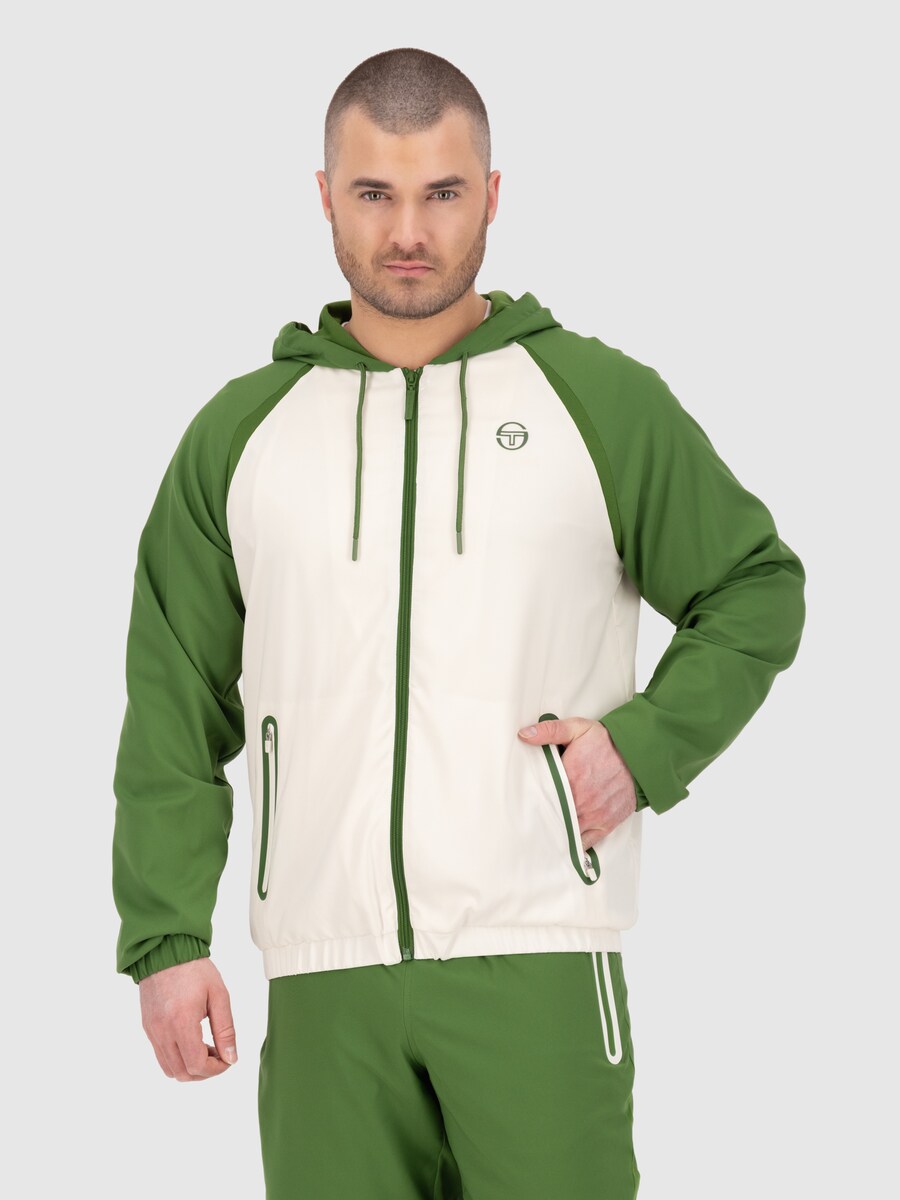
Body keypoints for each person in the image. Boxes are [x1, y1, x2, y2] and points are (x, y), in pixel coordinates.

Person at [112, 46, 806, 1200]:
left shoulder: (598, 403)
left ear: (491, 195)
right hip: (325, 977)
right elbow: (172, 698)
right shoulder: (242, 435)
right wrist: (168, 939)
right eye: (373, 193)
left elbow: (754, 585)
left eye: (441, 192)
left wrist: (643, 747)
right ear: (325, 195)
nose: (408, 233)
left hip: (536, 956)